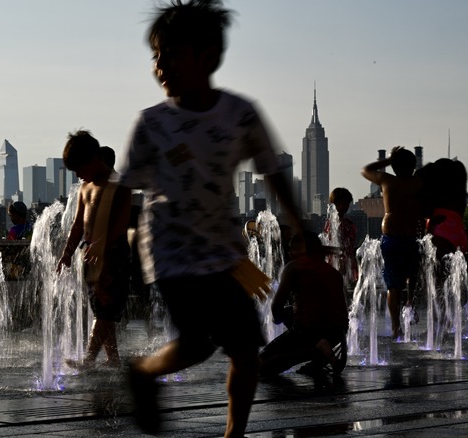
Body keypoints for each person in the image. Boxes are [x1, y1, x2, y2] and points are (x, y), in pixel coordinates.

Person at [118, 2, 305, 435]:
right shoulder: (151, 124)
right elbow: (125, 190)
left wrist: (299, 225)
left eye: (169, 53)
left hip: (223, 253)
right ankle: (145, 371)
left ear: (207, 57)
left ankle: (232, 434)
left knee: (244, 350)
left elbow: (273, 172)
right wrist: (115, 252)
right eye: (155, 55)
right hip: (170, 253)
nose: (158, 64)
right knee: (198, 344)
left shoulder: (239, 114)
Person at [56, 130, 132, 369]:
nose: (78, 175)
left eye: (80, 169)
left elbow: (121, 222)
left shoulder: (118, 184)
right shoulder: (86, 187)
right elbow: (78, 224)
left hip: (113, 252)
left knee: (107, 309)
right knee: (100, 307)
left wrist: (103, 244)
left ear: (94, 159)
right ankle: (113, 359)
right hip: (89, 253)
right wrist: (66, 253)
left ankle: (89, 359)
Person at [259, 232, 348, 377]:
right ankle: (319, 355)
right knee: (290, 311)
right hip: (338, 334)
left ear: (299, 250)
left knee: (258, 365)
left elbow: (276, 306)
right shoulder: (333, 272)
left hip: (307, 332)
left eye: (291, 249)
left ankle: (316, 347)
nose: (288, 252)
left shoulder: (294, 267)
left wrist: (277, 319)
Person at [361, 146, 423, 340]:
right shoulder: (417, 183)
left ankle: (397, 327)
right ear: (413, 167)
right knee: (413, 276)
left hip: (392, 237)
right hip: (409, 237)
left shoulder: (388, 181)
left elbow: (365, 170)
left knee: (393, 286)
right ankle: (410, 302)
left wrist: (388, 160)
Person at [416, 159, 468, 257]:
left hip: (439, 233)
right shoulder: (458, 196)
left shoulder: (433, 195)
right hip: (458, 233)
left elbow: (424, 212)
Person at [323, 187, 358, 285]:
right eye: (342, 202)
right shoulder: (332, 224)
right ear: (334, 203)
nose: (345, 206)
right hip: (338, 262)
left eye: (347, 203)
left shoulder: (347, 223)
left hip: (349, 262)